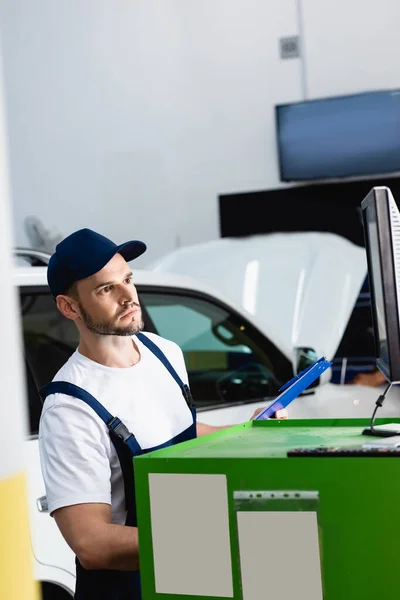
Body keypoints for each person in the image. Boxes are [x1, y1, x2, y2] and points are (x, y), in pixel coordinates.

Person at [38, 228, 286, 600]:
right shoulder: (69, 407)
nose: (128, 297)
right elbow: (92, 543)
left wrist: (248, 430)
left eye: (127, 279)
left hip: (190, 578)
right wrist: (216, 540)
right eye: (107, 289)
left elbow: (181, 434)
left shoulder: (163, 352)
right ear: (68, 307)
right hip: (128, 589)